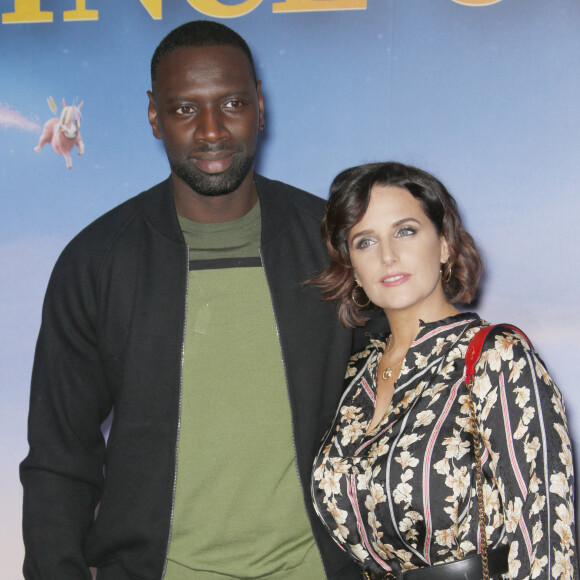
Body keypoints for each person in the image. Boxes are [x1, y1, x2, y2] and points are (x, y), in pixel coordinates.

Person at [20, 21, 367, 580]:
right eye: (185, 109)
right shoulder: (97, 262)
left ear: (259, 105)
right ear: (155, 116)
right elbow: (61, 460)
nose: (211, 130)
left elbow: (409, 412)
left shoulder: (335, 243)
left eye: (231, 103)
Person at [310, 162, 577, 579]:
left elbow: (545, 532)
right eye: (365, 241)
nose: (387, 255)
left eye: (405, 231)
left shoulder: (495, 355)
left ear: (446, 245)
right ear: (353, 268)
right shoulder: (353, 377)